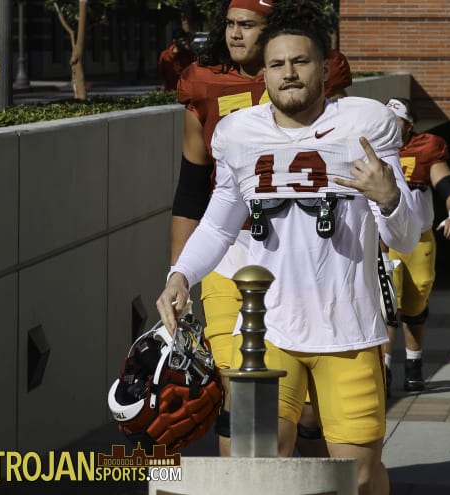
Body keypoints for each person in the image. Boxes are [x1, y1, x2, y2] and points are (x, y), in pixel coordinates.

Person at [156, 1, 424, 492]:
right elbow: (218, 224)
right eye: (278, 64)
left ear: (324, 67)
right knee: (259, 465)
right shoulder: (239, 133)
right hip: (265, 331)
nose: (289, 73)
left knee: (360, 476)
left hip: (348, 331)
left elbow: (406, 236)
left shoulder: (366, 123)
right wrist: (181, 275)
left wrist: (387, 197)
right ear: (265, 72)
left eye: (301, 62)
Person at [170, 0, 353, 457]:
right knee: (240, 382)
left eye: (248, 26)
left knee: (304, 407)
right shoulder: (205, 86)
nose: (235, 35)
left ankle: (303, 476)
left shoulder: (310, 83)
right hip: (231, 250)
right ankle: (246, 480)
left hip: (299, 254)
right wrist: (179, 273)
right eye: (230, 25)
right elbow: (192, 193)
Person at [381, 97, 450, 395]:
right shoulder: (370, 147)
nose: (389, 127)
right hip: (384, 240)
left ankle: (414, 366)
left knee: (415, 307)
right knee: (388, 304)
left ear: (409, 124)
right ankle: (385, 370)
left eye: (395, 122)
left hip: (419, 240)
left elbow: (448, 185)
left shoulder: (426, 148)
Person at [157, 28, 195, 92]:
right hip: (170, 92)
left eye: (185, 40)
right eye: (182, 40)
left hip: (186, 92)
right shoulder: (165, 55)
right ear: (174, 41)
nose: (184, 43)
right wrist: (166, 86)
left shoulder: (189, 55)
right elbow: (161, 73)